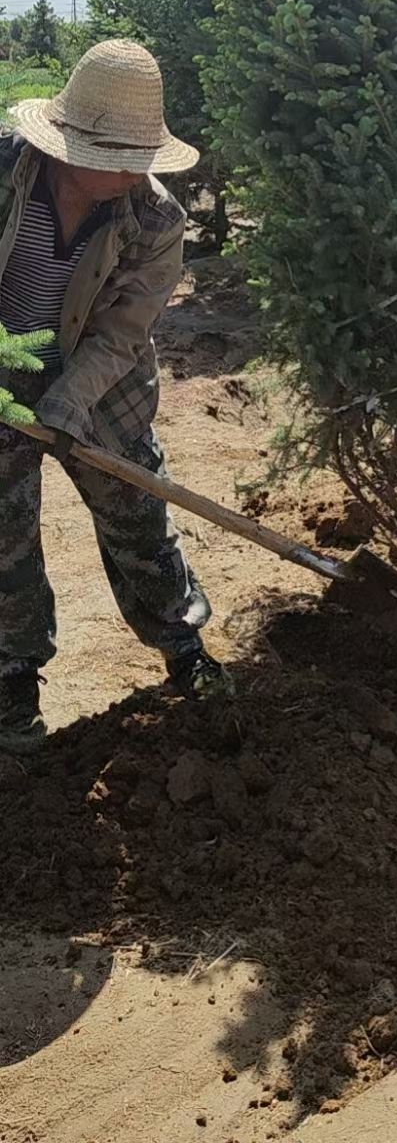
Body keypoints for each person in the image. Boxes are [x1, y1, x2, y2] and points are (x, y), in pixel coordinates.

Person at [0, 39, 231, 755]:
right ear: (70, 144)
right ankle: (11, 685)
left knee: (138, 517)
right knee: (2, 536)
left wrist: (73, 396)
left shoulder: (156, 220)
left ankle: (183, 646)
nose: (136, 174)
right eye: (122, 159)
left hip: (104, 383)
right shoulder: (4, 172)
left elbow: (125, 329)